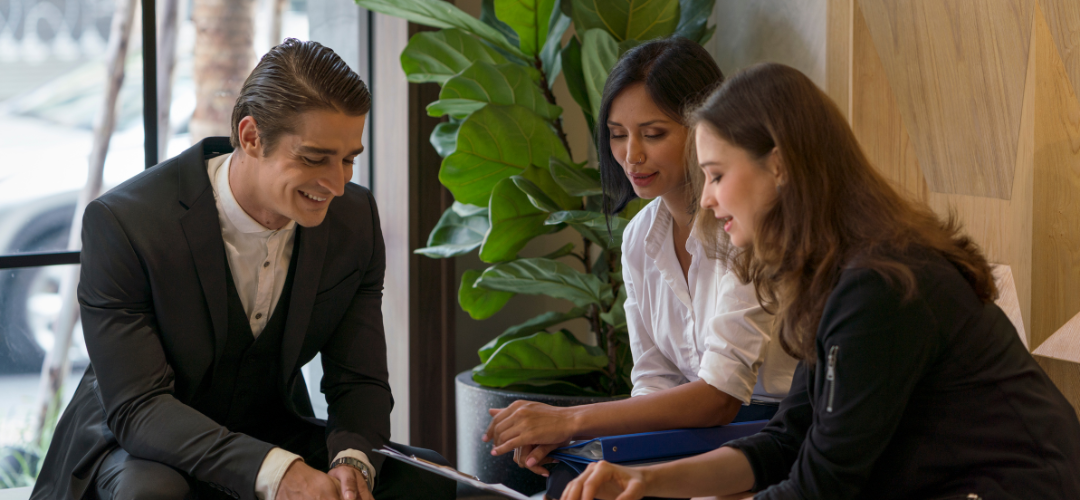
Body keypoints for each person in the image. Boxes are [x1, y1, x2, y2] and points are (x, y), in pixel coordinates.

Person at [557, 62, 1080, 500]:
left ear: (779, 166)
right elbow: (786, 440)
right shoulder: (835, 274)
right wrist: (641, 482)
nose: (709, 200)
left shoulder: (879, 283)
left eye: (716, 175)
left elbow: (823, 484)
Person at [31, 39, 455, 500]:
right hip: (136, 443)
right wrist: (279, 473)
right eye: (314, 158)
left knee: (424, 475)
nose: (337, 184)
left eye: (349, 158)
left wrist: (352, 464)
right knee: (154, 494)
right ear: (251, 136)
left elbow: (357, 379)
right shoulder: (126, 224)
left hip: (267, 428)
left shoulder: (354, 221)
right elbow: (140, 407)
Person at [482, 38, 798, 498]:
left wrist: (569, 420)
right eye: (616, 133)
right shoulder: (639, 236)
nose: (631, 155)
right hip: (693, 447)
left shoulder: (751, 226)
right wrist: (586, 444)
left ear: (706, 128)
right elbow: (653, 382)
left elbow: (719, 398)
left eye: (653, 134)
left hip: (774, 448)